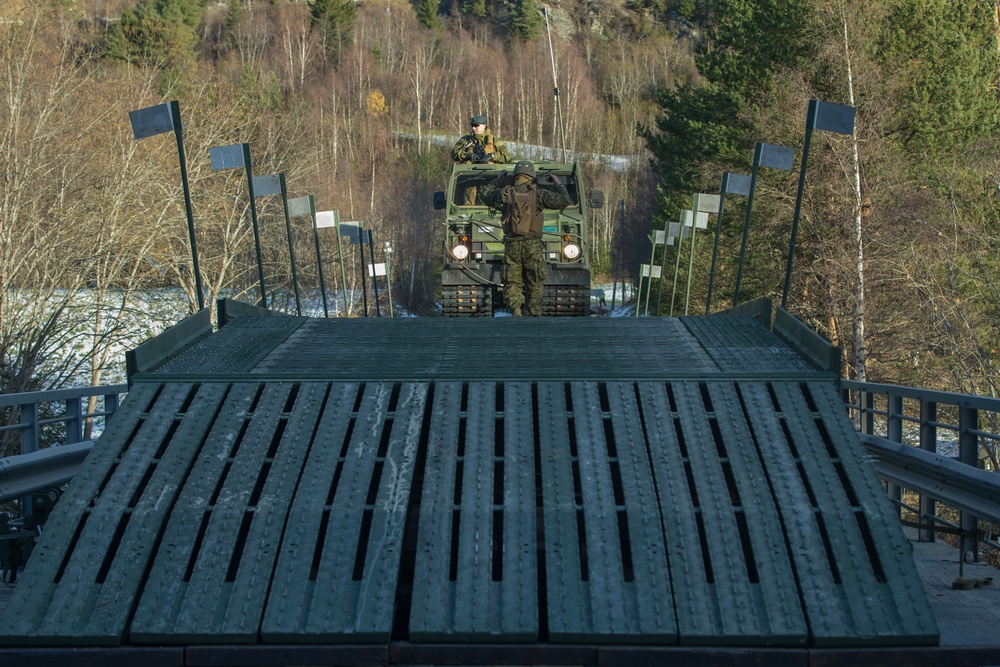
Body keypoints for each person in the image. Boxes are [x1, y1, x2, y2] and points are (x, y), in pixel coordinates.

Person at [479, 160, 572, 317]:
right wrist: (557, 183)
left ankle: (515, 309)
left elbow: (483, 194)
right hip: (533, 245)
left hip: (512, 245)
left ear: (515, 175)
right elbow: (565, 201)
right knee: (534, 281)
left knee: (512, 281)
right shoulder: (539, 194)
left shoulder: (504, 194)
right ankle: (533, 313)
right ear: (532, 176)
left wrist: (498, 179)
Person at [452, 115, 511, 205]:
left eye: (476, 126)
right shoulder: (466, 141)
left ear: (484, 125)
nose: (473, 128)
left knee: (485, 202)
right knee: (468, 203)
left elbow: (506, 155)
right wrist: (468, 155)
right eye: (472, 125)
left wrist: (491, 156)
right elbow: (454, 153)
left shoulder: (494, 140)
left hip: (488, 178)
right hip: (470, 178)